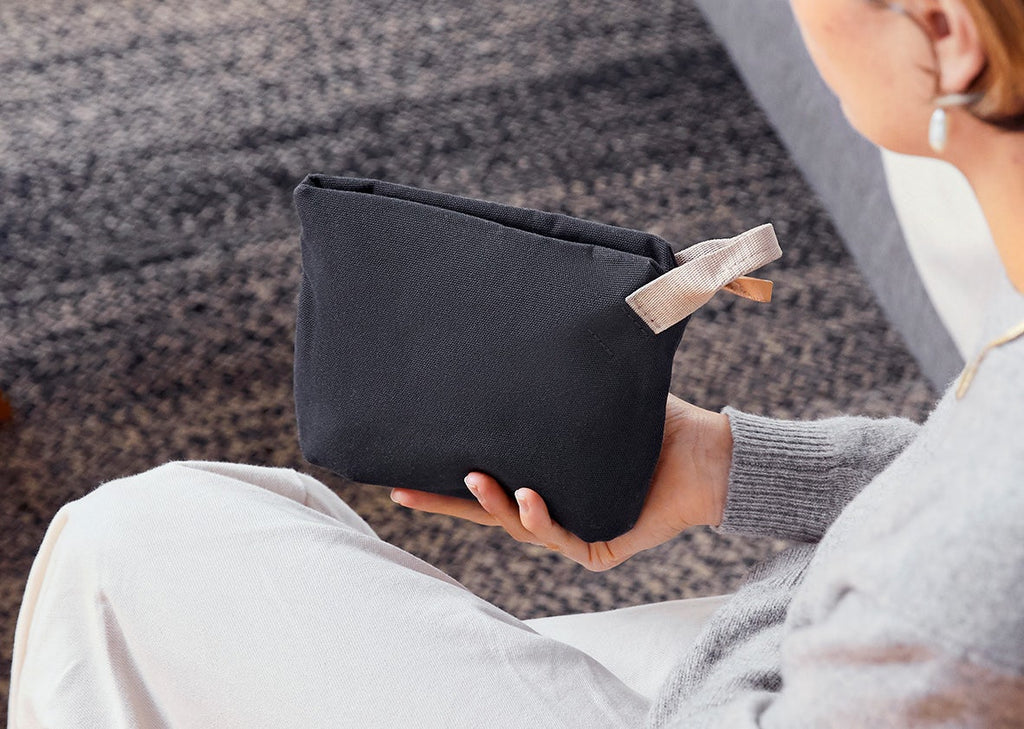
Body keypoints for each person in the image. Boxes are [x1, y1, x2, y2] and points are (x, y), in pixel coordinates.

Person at [8, 0, 1024, 726]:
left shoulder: (941, 594)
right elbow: (963, 477)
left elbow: (944, 567)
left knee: (124, 553)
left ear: (942, 33)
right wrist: (727, 465)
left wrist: (800, 585)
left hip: (759, 689)